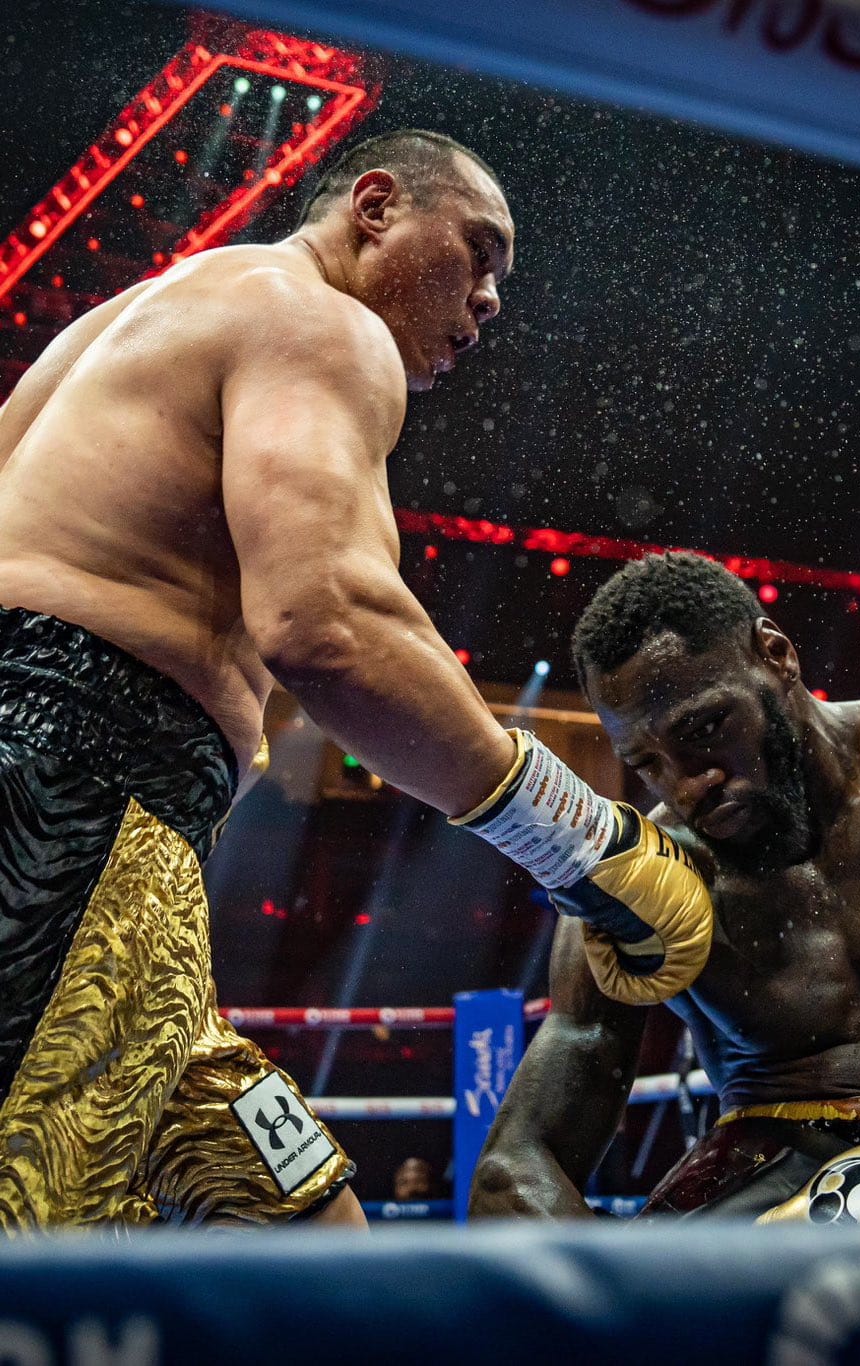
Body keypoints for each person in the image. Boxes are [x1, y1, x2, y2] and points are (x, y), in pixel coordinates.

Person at [0, 130, 716, 1231]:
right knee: (38, 1237)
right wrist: (581, 840)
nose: (487, 300)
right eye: (478, 253)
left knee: (314, 1238)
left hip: (113, 838)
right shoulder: (321, 322)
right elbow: (326, 621)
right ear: (373, 206)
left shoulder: (124, 324)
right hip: (74, 804)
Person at [470, 551, 860, 1222]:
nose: (689, 785)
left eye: (705, 728)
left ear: (775, 654)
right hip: (772, 1188)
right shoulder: (649, 881)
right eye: (648, 764)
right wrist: (611, 1308)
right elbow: (515, 1171)